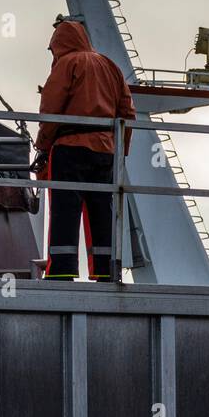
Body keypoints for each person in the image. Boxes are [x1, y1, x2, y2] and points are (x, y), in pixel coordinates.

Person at [32, 19, 134, 281]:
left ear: (58, 44)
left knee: (65, 209)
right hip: (106, 151)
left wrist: (42, 145)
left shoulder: (67, 64)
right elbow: (127, 113)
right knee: (102, 208)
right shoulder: (110, 66)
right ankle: (105, 270)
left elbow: (51, 110)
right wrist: (120, 149)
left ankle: (61, 271)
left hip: (70, 149)